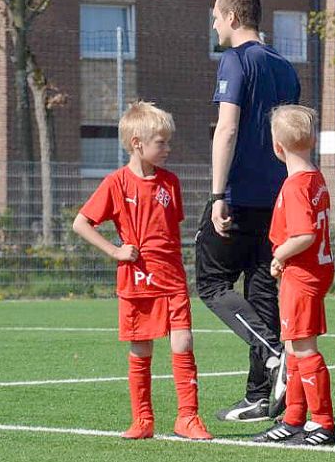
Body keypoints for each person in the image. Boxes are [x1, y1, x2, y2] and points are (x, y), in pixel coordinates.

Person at [72, 101, 212, 441]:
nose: (168, 148)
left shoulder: (170, 182)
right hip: (136, 279)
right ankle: (142, 420)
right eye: (161, 142)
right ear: (137, 143)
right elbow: (81, 222)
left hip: (172, 276)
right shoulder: (116, 183)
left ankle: (188, 418)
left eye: (168, 142)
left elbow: (167, 229)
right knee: (141, 348)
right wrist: (116, 251)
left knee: (183, 340)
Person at [196, 0, 299, 422]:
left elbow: (227, 129)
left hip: (238, 197)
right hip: (276, 200)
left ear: (234, 18)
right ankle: (261, 397)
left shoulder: (236, 59)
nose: (215, 23)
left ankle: (274, 353)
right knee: (261, 293)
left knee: (211, 283)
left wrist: (219, 194)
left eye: (217, 16)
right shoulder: (285, 67)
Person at [252, 105, 335, 447]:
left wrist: (279, 254)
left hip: (302, 275)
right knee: (294, 346)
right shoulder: (315, 177)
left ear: (277, 147)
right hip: (312, 271)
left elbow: (303, 235)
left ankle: (323, 423)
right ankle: (293, 419)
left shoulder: (296, 185)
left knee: (303, 349)